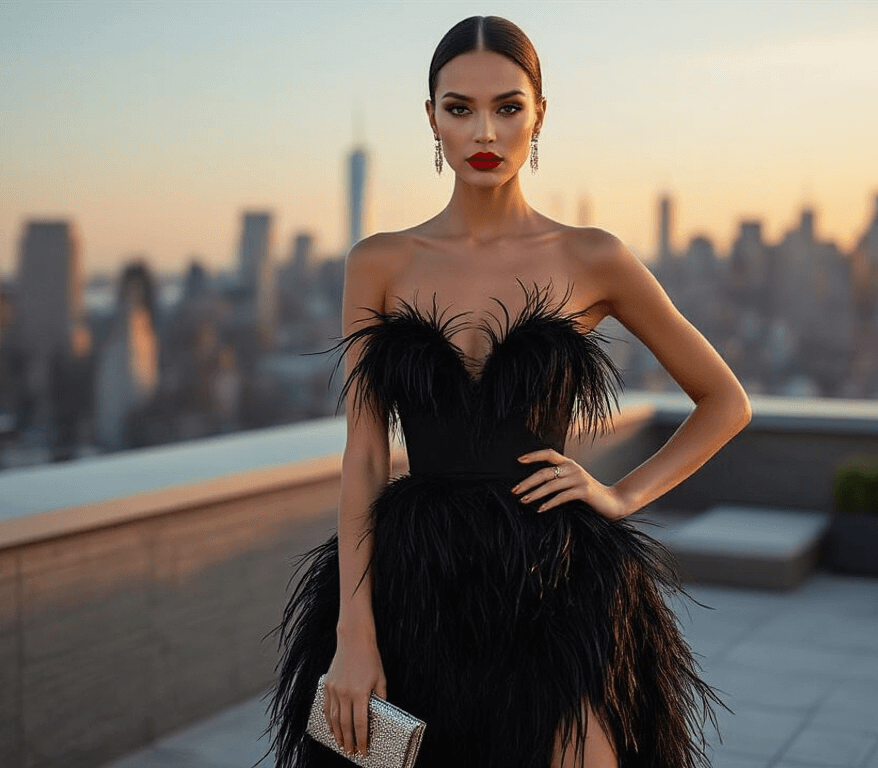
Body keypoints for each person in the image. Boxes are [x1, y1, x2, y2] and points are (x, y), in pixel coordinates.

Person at [266, 15, 752, 768]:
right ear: (431, 118)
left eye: (508, 106)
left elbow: (725, 400)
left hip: (552, 578)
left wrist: (621, 496)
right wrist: (353, 634)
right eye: (459, 108)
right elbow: (364, 457)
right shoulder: (381, 262)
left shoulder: (592, 256)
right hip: (412, 583)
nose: (484, 130)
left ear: (540, 113)